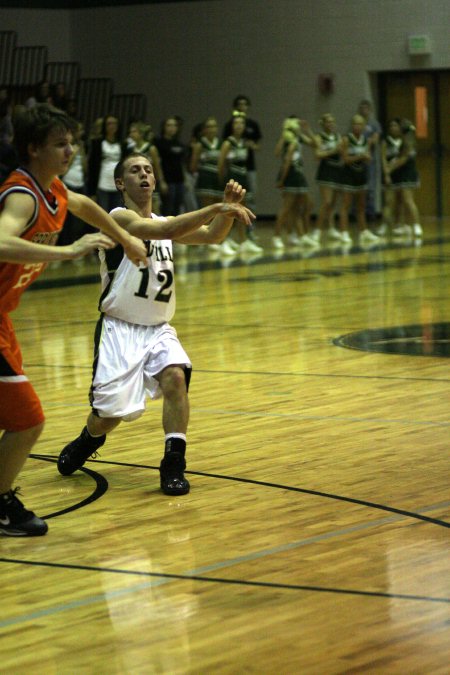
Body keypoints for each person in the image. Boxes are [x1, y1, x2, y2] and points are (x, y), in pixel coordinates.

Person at [57, 152, 254, 498]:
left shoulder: (167, 219)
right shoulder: (118, 218)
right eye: (135, 170)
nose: (145, 174)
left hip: (158, 328)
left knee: (176, 377)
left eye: (149, 169)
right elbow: (165, 230)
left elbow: (210, 236)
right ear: (121, 183)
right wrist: (214, 208)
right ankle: (88, 439)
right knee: (109, 417)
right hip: (120, 329)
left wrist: (228, 209)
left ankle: (173, 465)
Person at [0, 104, 148, 537]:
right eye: (59, 144)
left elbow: (86, 206)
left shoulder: (54, 190)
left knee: (18, 417)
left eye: (72, 143)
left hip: (3, 319)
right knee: (27, 419)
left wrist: (125, 238)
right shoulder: (23, 195)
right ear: (33, 149)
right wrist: (66, 252)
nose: (70, 151)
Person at [218, 112, 262, 254]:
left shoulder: (245, 143)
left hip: (243, 177)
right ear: (231, 126)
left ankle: (243, 241)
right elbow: (220, 165)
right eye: (236, 123)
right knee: (229, 210)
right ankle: (223, 241)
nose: (239, 126)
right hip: (232, 177)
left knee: (241, 210)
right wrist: (224, 182)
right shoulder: (227, 143)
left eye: (242, 123)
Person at [272, 116, 318, 250]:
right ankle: (276, 236)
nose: (299, 125)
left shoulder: (299, 138)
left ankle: (300, 235)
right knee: (286, 208)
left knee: (303, 206)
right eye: (297, 123)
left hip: (299, 175)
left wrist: (308, 130)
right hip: (290, 176)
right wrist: (281, 180)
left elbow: (315, 144)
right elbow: (278, 155)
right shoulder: (288, 140)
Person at [338, 114, 380, 246]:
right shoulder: (346, 140)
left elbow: (367, 157)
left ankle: (364, 231)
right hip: (348, 176)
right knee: (345, 205)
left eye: (360, 124)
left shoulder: (365, 141)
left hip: (361, 175)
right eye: (355, 124)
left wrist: (367, 158)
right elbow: (345, 159)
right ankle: (344, 232)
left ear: (363, 126)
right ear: (352, 126)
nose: (357, 126)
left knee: (361, 206)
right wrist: (360, 156)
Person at [380, 118, 422, 238]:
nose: (395, 129)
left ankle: (416, 225)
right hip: (398, 174)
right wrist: (388, 170)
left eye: (398, 127)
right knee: (393, 201)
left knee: (408, 200)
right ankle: (396, 225)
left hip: (407, 174)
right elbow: (394, 158)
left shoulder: (409, 142)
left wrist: (389, 169)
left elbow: (402, 160)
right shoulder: (400, 142)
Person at [222, 95, 262, 214]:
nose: (242, 107)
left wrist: (252, 146)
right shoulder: (229, 124)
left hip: (248, 166)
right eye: (239, 104)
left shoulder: (252, 124)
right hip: (232, 167)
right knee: (232, 197)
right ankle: (228, 226)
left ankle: (249, 227)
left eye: (244, 104)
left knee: (250, 195)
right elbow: (224, 146)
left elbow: (258, 145)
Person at [87, 114, 127, 213]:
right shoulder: (97, 143)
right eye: (109, 123)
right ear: (105, 126)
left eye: (114, 123)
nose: (112, 126)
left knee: (116, 215)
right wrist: (92, 192)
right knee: (102, 215)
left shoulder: (123, 144)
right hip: (102, 185)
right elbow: (92, 167)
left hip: (117, 185)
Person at [314, 113, 343, 242]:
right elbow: (318, 154)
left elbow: (343, 151)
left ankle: (331, 228)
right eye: (328, 122)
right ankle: (317, 231)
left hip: (337, 170)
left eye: (332, 121)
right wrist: (333, 151)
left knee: (333, 204)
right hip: (325, 170)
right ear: (323, 124)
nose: (330, 124)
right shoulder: (319, 137)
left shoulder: (338, 137)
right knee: (326, 202)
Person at [127, 120, 166, 215]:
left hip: (149, 181)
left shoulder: (151, 148)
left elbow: (157, 167)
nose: (131, 134)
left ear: (141, 134)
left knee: (154, 209)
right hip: (136, 183)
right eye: (130, 132)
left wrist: (162, 182)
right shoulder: (131, 149)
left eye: (134, 131)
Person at [154, 116, 186, 217]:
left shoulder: (180, 144)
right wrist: (161, 181)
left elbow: (182, 163)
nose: (172, 128)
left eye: (174, 125)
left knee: (177, 208)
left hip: (179, 180)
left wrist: (185, 180)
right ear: (164, 127)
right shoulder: (159, 143)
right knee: (167, 208)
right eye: (169, 125)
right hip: (167, 180)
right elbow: (157, 163)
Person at [358, 99, 382, 222]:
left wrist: (367, 143)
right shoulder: (357, 124)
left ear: (370, 110)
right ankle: (357, 214)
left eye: (366, 108)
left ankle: (370, 213)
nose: (364, 110)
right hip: (358, 160)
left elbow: (375, 139)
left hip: (370, 160)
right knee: (358, 188)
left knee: (371, 188)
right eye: (362, 108)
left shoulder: (374, 124)